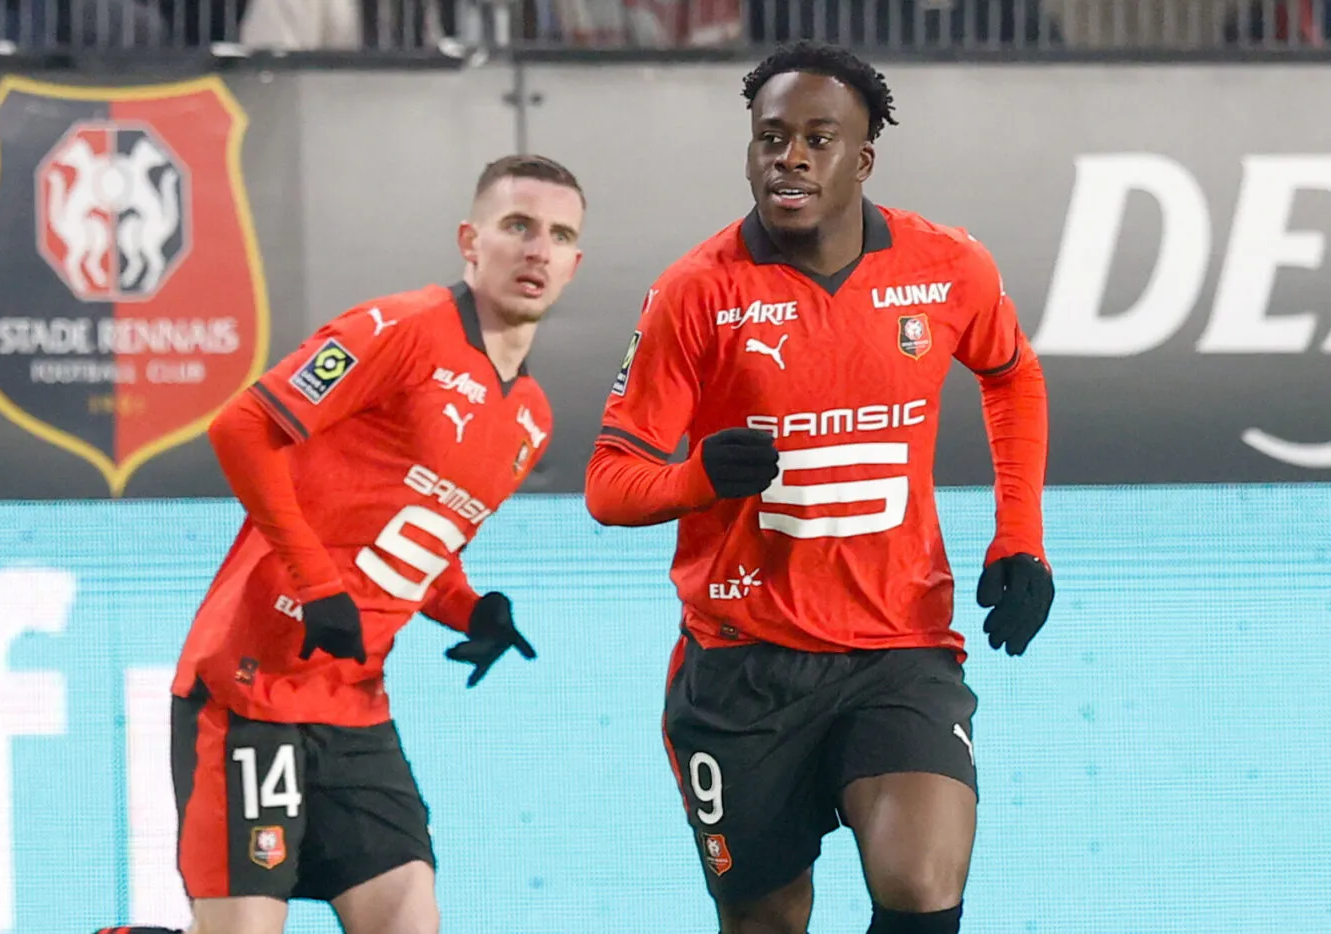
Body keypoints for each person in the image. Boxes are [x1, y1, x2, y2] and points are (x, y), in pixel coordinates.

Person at [584, 41, 1053, 934]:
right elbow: (610, 484)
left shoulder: (949, 267)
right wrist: (695, 478)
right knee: (766, 920)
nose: (788, 156)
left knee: (921, 888)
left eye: (817, 139)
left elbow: (1012, 375)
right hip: (741, 668)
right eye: (770, 138)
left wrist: (1018, 533)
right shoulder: (693, 295)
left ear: (862, 159)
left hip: (900, 650)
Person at [93, 153, 585, 934]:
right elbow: (241, 426)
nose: (537, 249)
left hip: (356, 712)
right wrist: (317, 582)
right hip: (248, 691)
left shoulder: (532, 418)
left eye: (559, 236)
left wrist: (469, 610)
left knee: (408, 920)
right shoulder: (400, 328)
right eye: (517, 226)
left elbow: (413, 538)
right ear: (470, 239)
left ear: (573, 264)